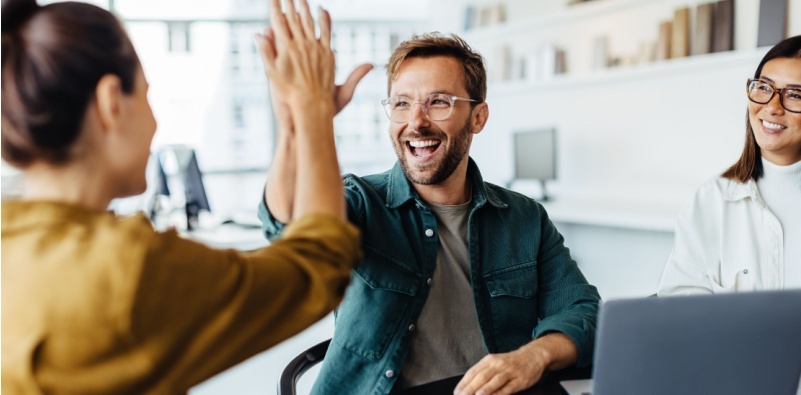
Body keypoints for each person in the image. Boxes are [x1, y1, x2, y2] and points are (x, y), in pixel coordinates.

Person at [1, 0, 365, 393]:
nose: (155, 121)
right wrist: (311, 109)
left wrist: (296, 127)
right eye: (146, 95)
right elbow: (317, 267)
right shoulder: (126, 269)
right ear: (111, 103)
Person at [260, 32, 601, 395]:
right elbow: (288, 225)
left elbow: (585, 312)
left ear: (478, 117)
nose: (417, 122)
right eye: (402, 104)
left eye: (438, 102)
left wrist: (535, 356)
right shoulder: (360, 202)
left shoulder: (525, 218)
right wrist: (299, 126)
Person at [658, 35, 801, 295]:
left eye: (795, 94)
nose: (772, 107)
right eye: (764, 87)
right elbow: (681, 309)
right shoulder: (710, 201)